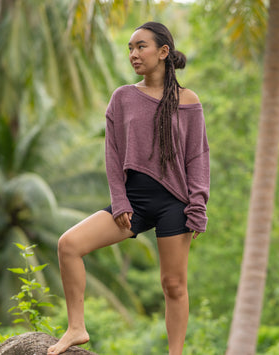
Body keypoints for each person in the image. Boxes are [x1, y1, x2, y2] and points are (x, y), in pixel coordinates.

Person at [47, 21, 209, 355]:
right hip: (132, 201)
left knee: (173, 285)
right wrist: (119, 200)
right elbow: (113, 153)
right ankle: (76, 327)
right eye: (130, 49)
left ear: (164, 52)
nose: (134, 54)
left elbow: (197, 157)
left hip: (175, 204)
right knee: (69, 245)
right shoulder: (123, 97)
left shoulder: (188, 100)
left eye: (141, 47)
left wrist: (197, 208)